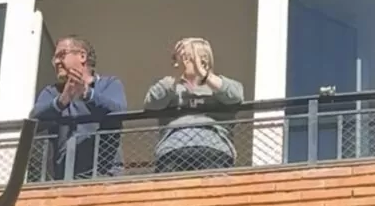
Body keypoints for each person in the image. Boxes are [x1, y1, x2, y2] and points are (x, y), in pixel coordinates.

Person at [30, 35, 127, 180]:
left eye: (62, 55)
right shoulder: (51, 92)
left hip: (105, 175)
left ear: (82, 56)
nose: (56, 62)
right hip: (64, 178)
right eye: (54, 58)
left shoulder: (109, 84)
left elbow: (120, 111)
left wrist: (88, 94)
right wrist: (61, 101)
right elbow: (34, 119)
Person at [144, 37, 244, 173]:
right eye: (178, 59)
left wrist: (204, 74)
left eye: (187, 58)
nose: (180, 63)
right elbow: (151, 104)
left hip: (213, 148)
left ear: (203, 60)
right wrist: (176, 77)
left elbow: (236, 96)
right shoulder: (168, 84)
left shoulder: (220, 85)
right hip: (174, 149)